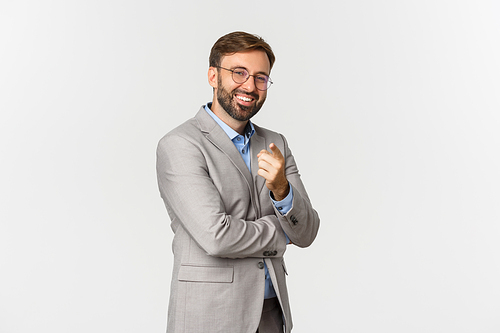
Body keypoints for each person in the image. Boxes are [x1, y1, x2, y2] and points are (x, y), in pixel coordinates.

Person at [156, 31, 320, 333]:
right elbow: (216, 236)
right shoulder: (180, 144)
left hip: (271, 313)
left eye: (261, 77)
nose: (250, 86)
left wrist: (282, 190)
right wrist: (281, 234)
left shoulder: (275, 143)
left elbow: (307, 232)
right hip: (211, 314)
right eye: (239, 73)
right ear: (213, 75)